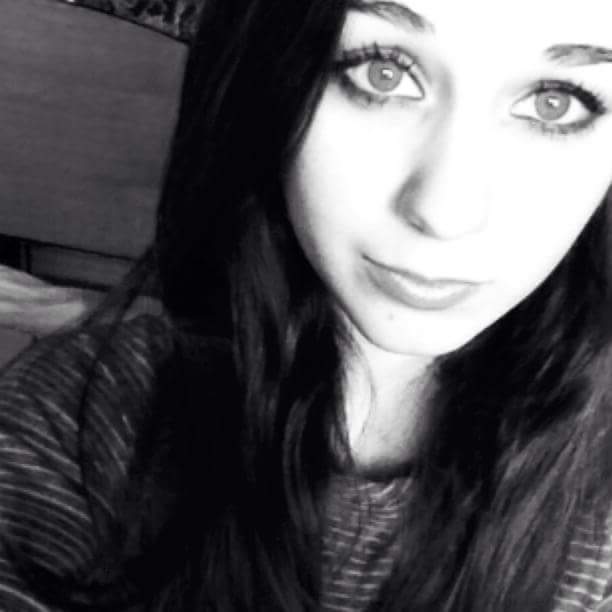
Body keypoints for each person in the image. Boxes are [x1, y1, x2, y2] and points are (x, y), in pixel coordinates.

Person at [2, 0, 612, 610]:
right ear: (269, 77)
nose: (445, 213)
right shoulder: (79, 422)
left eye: (555, 103)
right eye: (383, 72)